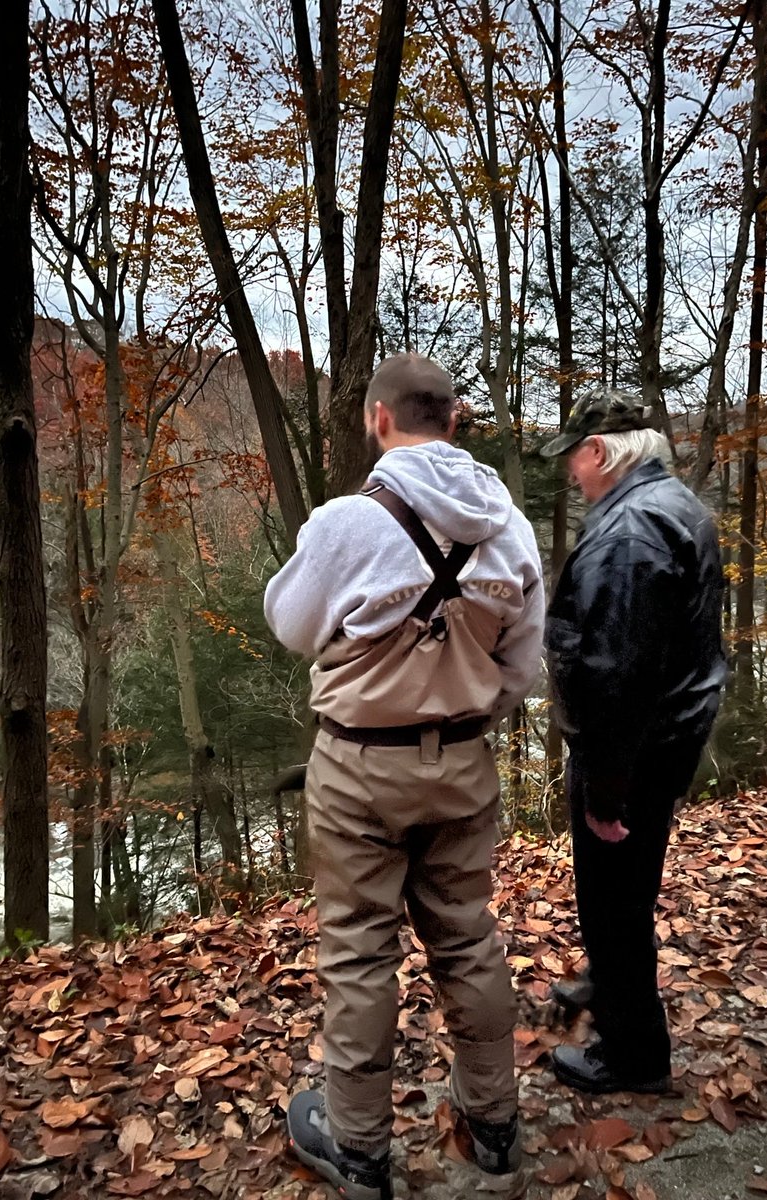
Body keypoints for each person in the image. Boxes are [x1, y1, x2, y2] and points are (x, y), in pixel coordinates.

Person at [264, 353, 544, 1200]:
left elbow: (291, 625)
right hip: (463, 761)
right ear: (453, 419)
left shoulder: (349, 521)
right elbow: (523, 665)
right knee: (467, 935)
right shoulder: (511, 528)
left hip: (358, 766)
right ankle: (494, 1126)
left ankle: (359, 1148)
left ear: (378, 419)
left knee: (359, 954)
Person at [542, 388, 727, 1095]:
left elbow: (615, 674)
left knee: (612, 898)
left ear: (600, 453)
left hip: (633, 755)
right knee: (628, 892)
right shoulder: (673, 505)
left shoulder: (627, 536)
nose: (571, 475)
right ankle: (610, 983)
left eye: (576, 459)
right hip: (662, 742)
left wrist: (606, 789)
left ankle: (631, 1054)